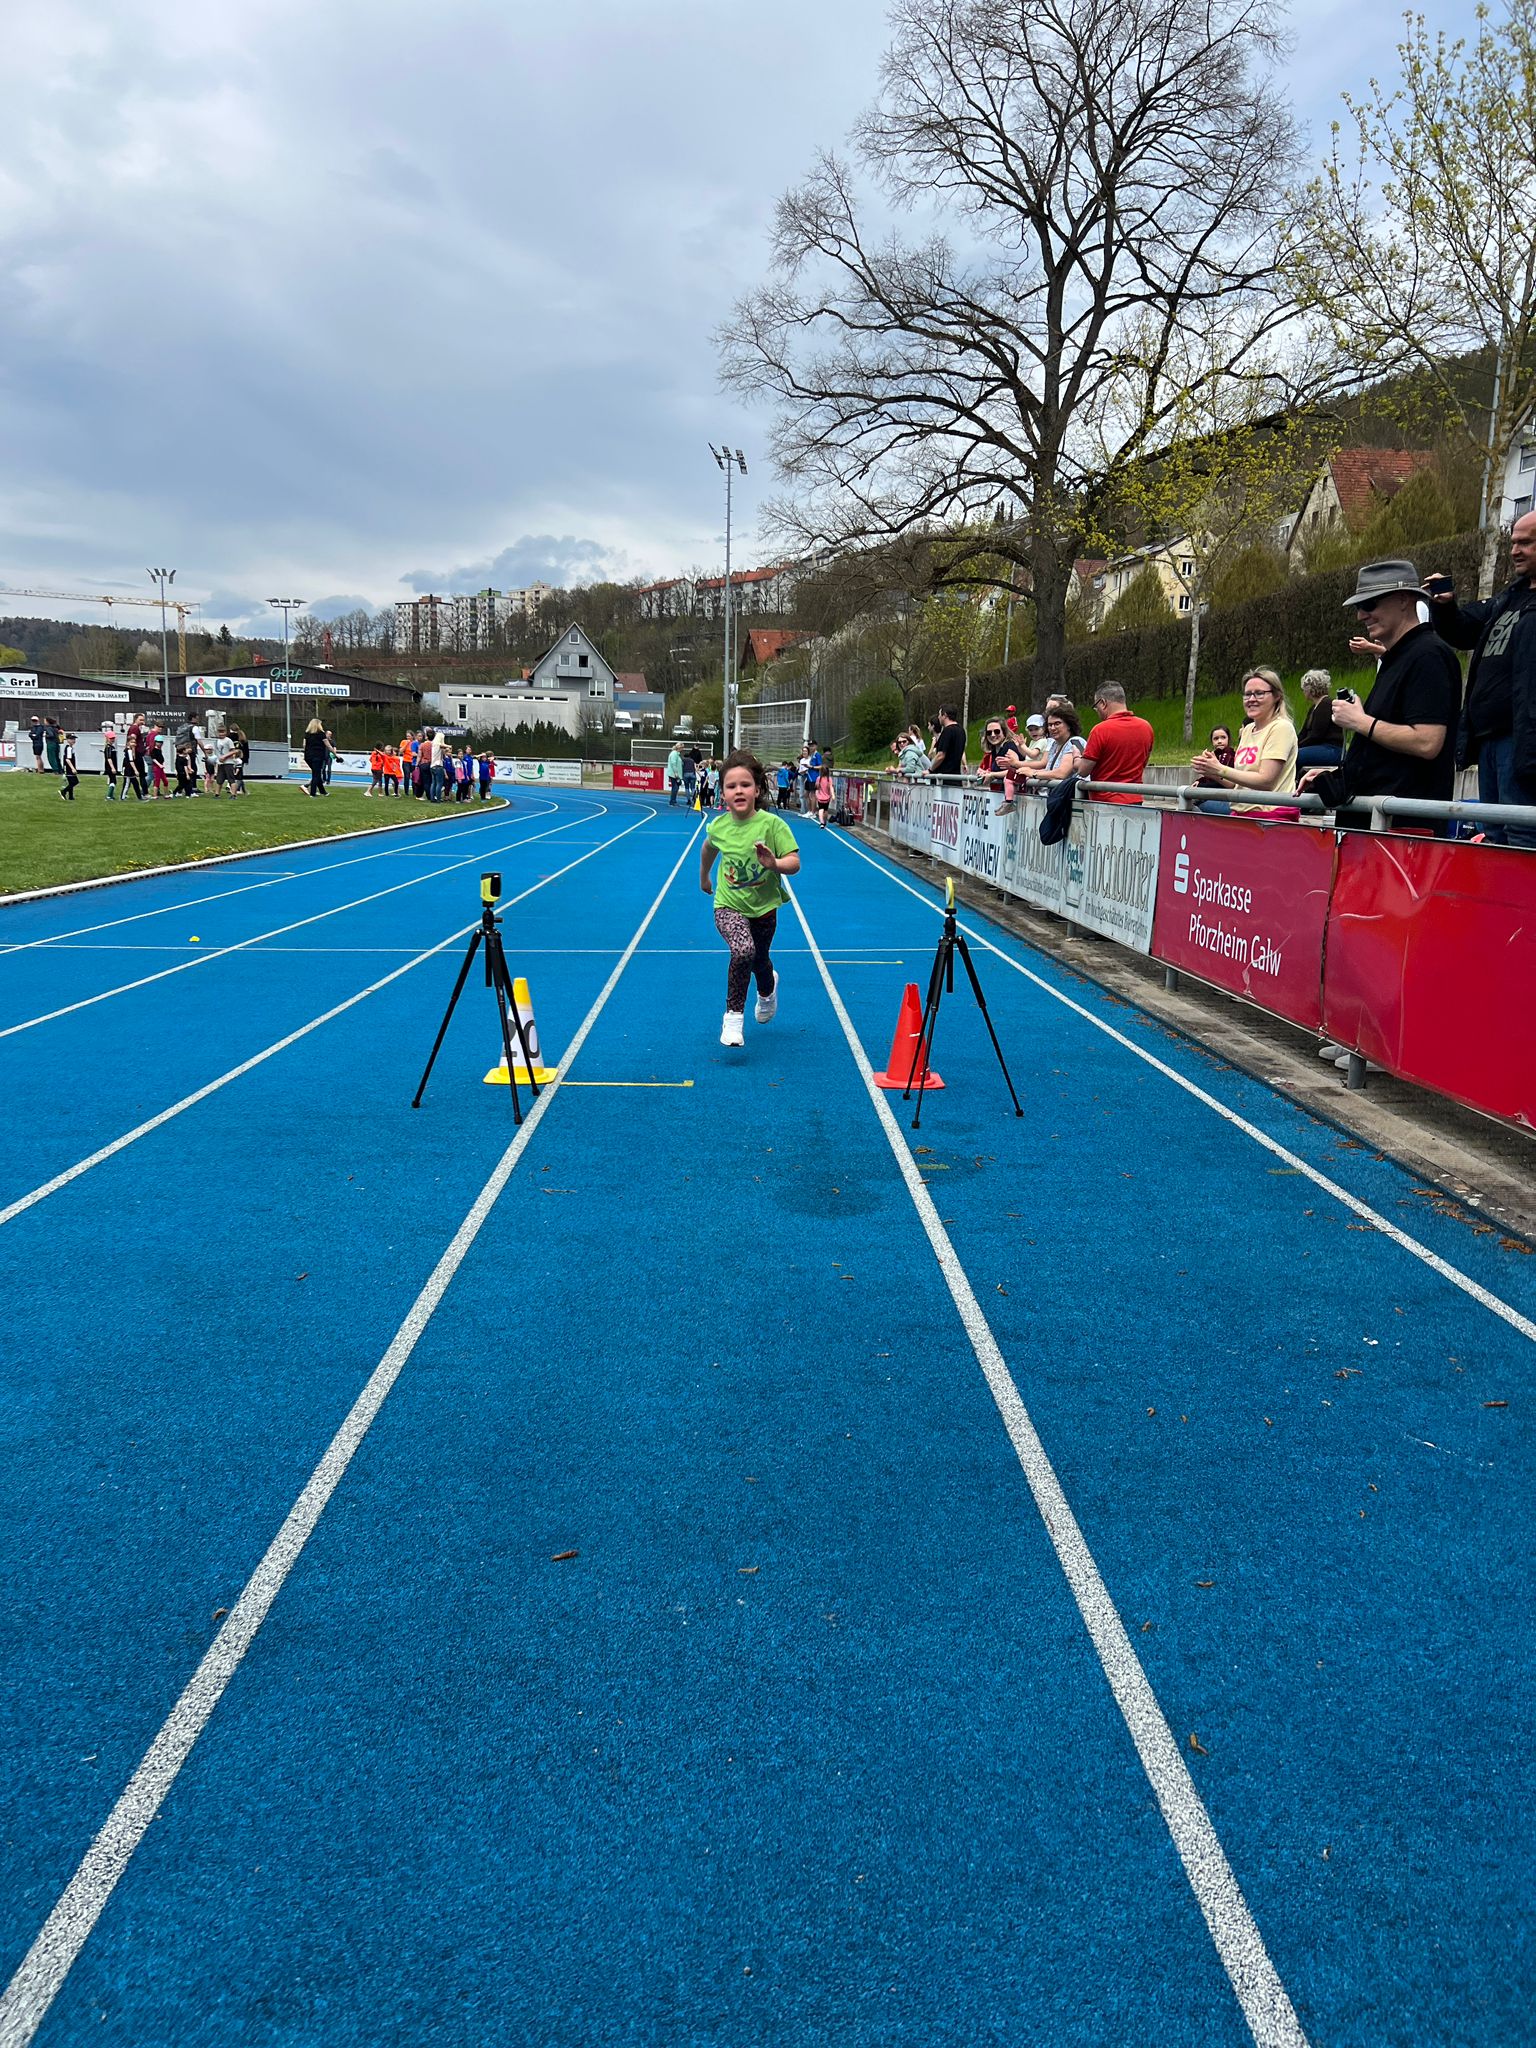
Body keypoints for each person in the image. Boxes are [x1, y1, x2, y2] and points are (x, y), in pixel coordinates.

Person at [1298, 559, 1461, 823]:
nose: (1361, 615)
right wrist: (1339, 775)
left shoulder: (1428, 655)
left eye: (1369, 604)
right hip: (1380, 822)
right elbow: (1385, 754)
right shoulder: (1399, 657)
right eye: (1359, 607)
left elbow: (1427, 742)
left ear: (1403, 599)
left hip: (1400, 829)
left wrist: (1360, 721)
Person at [1428, 510, 1536, 846]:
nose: (1515, 550)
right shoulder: (1508, 598)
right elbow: (1462, 631)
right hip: (1489, 739)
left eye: (1526, 543)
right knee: (1495, 833)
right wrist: (1445, 606)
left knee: (1523, 833)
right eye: (1513, 542)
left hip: (1523, 740)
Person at [700, 748, 801, 1049]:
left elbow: (794, 862)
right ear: (723, 793)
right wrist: (704, 877)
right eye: (731, 786)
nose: (739, 791)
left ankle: (768, 991)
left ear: (757, 790)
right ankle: (733, 1018)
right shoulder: (719, 827)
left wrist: (774, 863)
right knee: (743, 950)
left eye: (745, 784)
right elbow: (708, 849)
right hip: (728, 904)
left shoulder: (772, 825)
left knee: (759, 959)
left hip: (764, 908)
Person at [1192, 670, 1298, 815]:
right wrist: (1212, 771)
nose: (1251, 699)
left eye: (1259, 693)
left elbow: (1266, 781)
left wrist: (1220, 769)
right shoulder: (1248, 730)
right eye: (1247, 694)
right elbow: (1237, 784)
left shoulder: (1281, 727)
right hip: (1241, 812)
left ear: (1277, 696)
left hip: (1270, 815)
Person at [1077, 682, 1154, 801]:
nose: (1097, 711)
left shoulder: (1100, 730)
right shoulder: (1146, 727)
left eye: (1096, 707)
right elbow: (1143, 763)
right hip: (1135, 799)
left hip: (1105, 800)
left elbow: (1083, 771)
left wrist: (1077, 758)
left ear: (1103, 703)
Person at [1295, 670, 1343, 770]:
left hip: (1332, 749)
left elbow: (1316, 736)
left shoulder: (1326, 704)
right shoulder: (1314, 707)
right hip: (1319, 748)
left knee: (1295, 756)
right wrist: (1292, 744)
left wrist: (1296, 748)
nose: (1303, 691)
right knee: (1290, 754)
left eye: (1303, 688)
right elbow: (1303, 733)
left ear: (1310, 689)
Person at [1028, 702, 1086, 783]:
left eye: (1057, 724)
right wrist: (1027, 771)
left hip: (1073, 790)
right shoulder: (1054, 745)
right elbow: (1050, 771)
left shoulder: (1075, 742)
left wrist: (1033, 774)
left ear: (1069, 725)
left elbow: (1061, 773)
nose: (1052, 728)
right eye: (1050, 725)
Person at [928, 705, 967, 783]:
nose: (938, 717)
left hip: (944, 778)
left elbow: (941, 755)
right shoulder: (961, 730)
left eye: (939, 714)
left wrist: (930, 770)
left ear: (945, 715)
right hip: (956, 777)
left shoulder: (947, 731)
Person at [1194, 725, 1237, 790]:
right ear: (1212, 741)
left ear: (1228, 739)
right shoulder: (1212, 755)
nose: (1219, 741)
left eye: (1223, 737)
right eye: (1216, 738)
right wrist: (1199, 781)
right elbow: (1208, 778)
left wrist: (1200, 785)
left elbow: (1229, 782)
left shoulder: (1231, 756)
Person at [302, 717, 329, 797]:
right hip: (318, 756)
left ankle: (323, 791)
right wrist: (335, 754)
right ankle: (312, 793)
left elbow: (304, 745)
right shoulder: (321, 734)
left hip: (308, 756)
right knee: (316, 775)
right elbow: (328, 745)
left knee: (316, 773)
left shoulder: (307, 734)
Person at [815, 754, 834, 827]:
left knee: (820, 809)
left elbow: (817, 787)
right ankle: (825, 821)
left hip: (820, 797)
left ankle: (821, 822)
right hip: (827, 797)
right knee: (825, 810)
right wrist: (833, 795)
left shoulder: (818, 778)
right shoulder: (829, 779)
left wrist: (817, 794)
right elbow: (831, 787)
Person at [101, 722, 119, 799]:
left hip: (113, 766)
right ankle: (109, 796)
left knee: (113, 780)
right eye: (111, 738)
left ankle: (111, 795)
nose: (112, 740)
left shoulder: (112, 747)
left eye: (113, 738)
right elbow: (109, 758)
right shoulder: (108, 748)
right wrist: (112, 767)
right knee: (113, 781)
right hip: (110, 767)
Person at [58, 732, 78, 801]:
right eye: (72, 739)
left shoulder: (70, 748)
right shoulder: (69, 748)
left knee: (71, 782)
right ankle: (63, 791)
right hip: (69, 767)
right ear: (68, 740)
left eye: (74, 739)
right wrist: (73, 768)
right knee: (75, 782)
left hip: (69, 767)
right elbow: (68, 759)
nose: (73, 740)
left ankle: (71, 796)